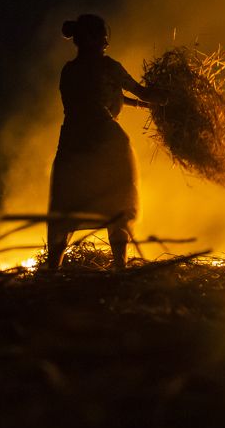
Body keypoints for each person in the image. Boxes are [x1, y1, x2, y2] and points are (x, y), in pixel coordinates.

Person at [46, 14, 155, 270]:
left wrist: (138, 104)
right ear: (93, 38)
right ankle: (119, 268)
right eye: (103, 38)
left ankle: (52, 270)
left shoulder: (69, 70)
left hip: (72, 144)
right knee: (118, 201)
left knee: (66, 206)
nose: (107, 43)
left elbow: (93, 96)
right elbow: (142, 92)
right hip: (106, 142)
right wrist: (169, 99)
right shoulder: (109, 67)